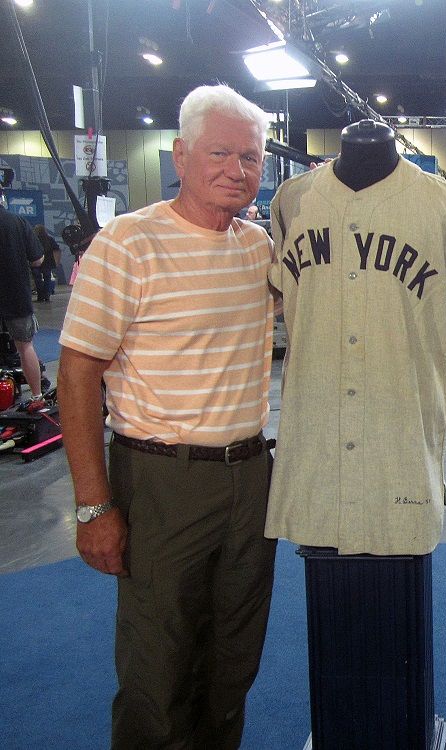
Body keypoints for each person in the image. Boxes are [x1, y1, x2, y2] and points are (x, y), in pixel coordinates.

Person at [58, 84, 277, 750]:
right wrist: (94, 506)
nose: (236, 170)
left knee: (233, 658)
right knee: (158, 665)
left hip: (251, 478)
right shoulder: (128, 244)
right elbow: (75, 376)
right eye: (219, 152)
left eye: (250, 157)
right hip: (162, 480)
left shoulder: (259, 250)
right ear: (180, 155)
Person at [0, 191, 46, 411]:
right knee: (24, 346)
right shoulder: (17, 221)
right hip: (14, 292)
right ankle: (37, 396)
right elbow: (38, 259)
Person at [31, 223, 59, 302]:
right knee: (47, 278)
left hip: (36, 261)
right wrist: (56, 261)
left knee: (37, 279)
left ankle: (40, 296)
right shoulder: (50, 239)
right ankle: (47, 295)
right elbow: (56, 248)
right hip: (48, 262)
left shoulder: (33, 239)